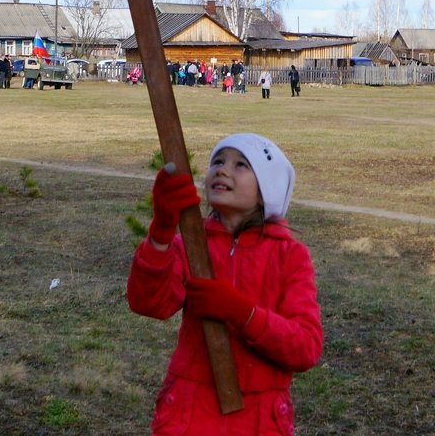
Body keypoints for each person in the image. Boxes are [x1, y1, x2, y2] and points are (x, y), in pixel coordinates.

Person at [128, 133, 322, 436]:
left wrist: (242, 312)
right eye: (217, 161)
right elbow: (149, 303)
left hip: (259, 418)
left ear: (265, 190)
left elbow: (305, 348)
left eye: (241, 164)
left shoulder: (289, 256)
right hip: (190, 413)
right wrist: (162, 230)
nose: (222, 169)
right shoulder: (191, 246)